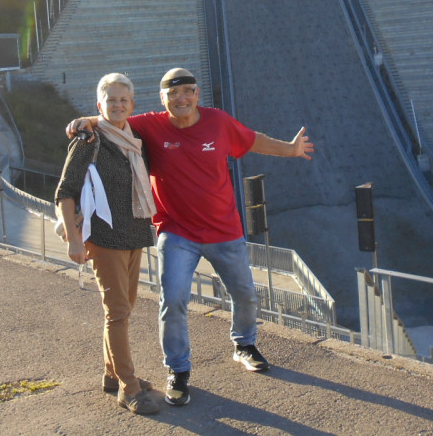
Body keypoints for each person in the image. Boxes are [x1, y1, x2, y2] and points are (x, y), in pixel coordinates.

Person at [66, 67, 314, 407]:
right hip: (176, 230)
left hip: (224, 230)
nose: (181, 99)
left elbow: (251, 139)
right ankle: (178, 370)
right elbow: (113, 119)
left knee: (244, 293)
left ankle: (244, 345)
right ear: (163, 99)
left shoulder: (218, 122)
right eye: (173, 93)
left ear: (197, 94)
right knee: (173, 299)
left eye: (187, 92)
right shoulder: (149, 125)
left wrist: (289, 149)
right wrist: (88, 121)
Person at [55, 73, 160, 416]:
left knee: (123, 310)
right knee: (117, 312)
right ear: (99, 105)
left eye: (123, 99)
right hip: (104, 237)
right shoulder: (88, 139)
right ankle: (128, 388)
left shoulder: (134, 138)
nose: (117, 105)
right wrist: (74, 240)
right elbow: (65, 192)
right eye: (110, 99)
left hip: (134, 234)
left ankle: (112, 376)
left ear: (132, 105)